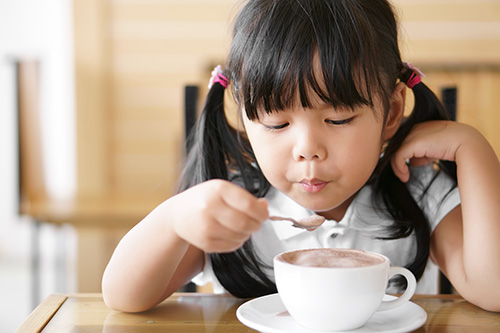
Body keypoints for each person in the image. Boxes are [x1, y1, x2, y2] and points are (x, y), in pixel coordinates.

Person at [102, 0, 500, 313]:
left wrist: (472, 149)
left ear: (391, 111)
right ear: (243, 115)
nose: (307, 149)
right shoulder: (233, 204)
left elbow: (494, 290)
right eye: (277, 124)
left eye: (339, 118)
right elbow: (123, 297)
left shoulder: (417, 191)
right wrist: (175, 219)